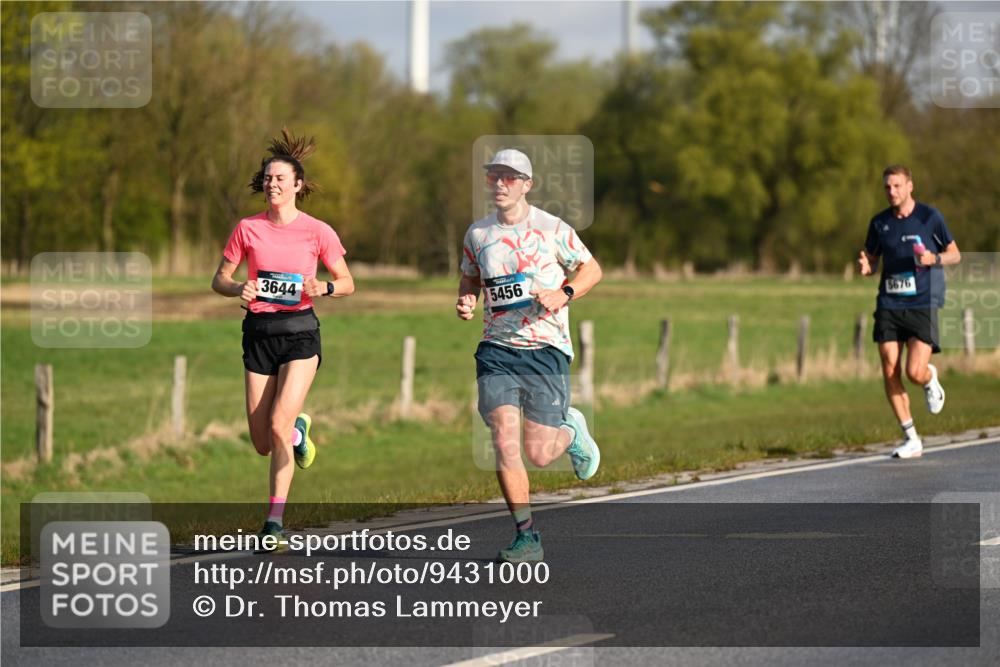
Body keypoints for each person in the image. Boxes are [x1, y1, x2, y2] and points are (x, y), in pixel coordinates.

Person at [456, 148, 603, 562]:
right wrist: (466, 301)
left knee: (539, 453)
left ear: (527, 184)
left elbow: (592, 269)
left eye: (509, 177)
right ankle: (526, 536)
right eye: (494, 176)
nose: (500, 184)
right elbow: (470, 278)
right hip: (496, 350)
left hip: (546, 350)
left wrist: (564, 293)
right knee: (504, 439)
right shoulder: (478, 234)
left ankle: (572, 431)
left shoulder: (552, 228)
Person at [212, 129, 355, 547]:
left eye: (280, 178)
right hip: (258, 335)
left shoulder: (318, 231)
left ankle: (274, 523)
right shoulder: (247, 229)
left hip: (299, 335)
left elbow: (347, 282)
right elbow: (219, 278)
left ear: (297, 185)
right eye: (267, 178)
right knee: (263, 441)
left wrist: (324, 288)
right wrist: (237, 288)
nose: (272, 184)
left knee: (277, 422)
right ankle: (297, 434)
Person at [858, 164, 960, 459]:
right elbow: (872, 259)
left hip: (922, 301)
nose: (892, 191)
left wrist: (934, 258)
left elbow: (955, 254)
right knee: (889, 367)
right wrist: (868, 267)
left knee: (913, 371)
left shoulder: (930, 217)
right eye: (887, 187)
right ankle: (911, 438)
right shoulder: (879, 223)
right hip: (890, 302)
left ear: (910, 186)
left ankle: (928, 378)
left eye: (897, 186)